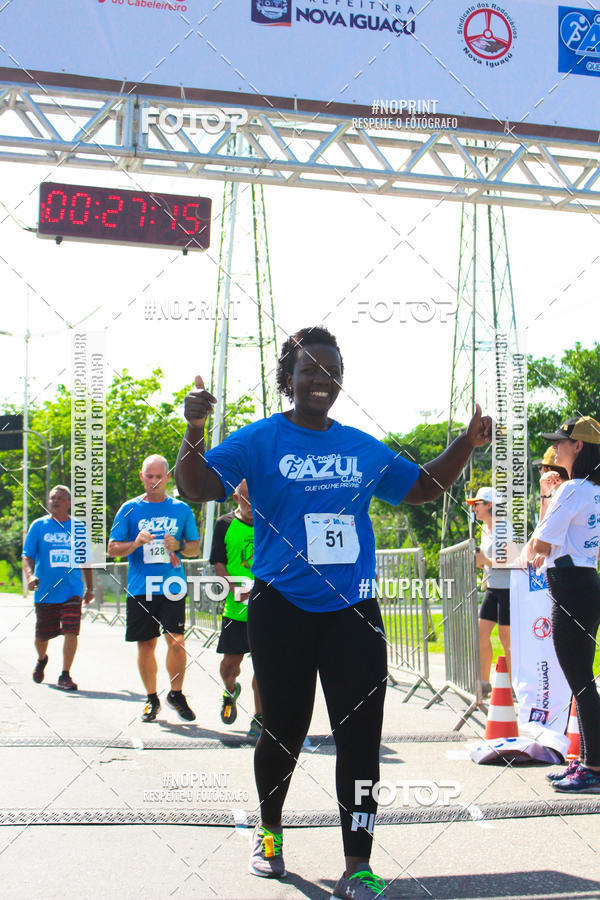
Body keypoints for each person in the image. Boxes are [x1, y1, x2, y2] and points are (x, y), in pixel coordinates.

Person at [175, 326, 491, 898]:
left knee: (361, 738)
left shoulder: (360, 447)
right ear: (288, 379)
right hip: (281, 607)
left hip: (354, 610)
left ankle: (357, 864)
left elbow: (421, 487)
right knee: (284, 729)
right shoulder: (259, 440)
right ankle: (269, 833)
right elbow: (196, 486)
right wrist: (194, 430)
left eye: (332, 372)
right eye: (310, 371)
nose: (321, 381)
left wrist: (467, 444)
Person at [524, 416, 600, 794]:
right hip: (586, 582)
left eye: (560, 441)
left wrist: (547, 498)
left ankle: (593, 767)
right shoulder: (592, 490)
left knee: (581, 682)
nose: (555, 447)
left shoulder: (571, 490)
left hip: (569, 587)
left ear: (578, 446)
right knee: (581, 680)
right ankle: (586, 762)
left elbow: (536, 548)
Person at [107, 454, 200, 723]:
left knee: (177, 641)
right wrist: (135, 543)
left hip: (172, 585)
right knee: (146, 643)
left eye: (159, 476)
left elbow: (194, 548)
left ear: (168, 477)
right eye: (150, 476)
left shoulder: (181, 509)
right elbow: (113, 549)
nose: (155, 481)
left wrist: (179, 546)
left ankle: (176, 693)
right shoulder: (129, 509)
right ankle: (151, 698)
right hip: (141, 587)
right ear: (142, 477)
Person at [22, 485, 94, 691]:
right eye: (53, 498)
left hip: (72, 589)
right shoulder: (39, 526)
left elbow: (85, 560)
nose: (55, 501)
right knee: (42, 636)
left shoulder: (78, 528)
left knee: (71, 630)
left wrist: (89, 589)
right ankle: (42, 658)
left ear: (69, 503)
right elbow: (27, 555)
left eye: (61, 498)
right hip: (45, 591)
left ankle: (65, 674)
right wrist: (30, 575)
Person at [210, 479, 262, 736]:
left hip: (266, 610)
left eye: (255, 496)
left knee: (264, 667)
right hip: (236, 609)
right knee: (230, 665)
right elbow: (218, 564)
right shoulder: (224, 524)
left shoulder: (270, 522)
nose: (250, 503)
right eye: (245, 497)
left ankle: (259, 717)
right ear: (236, 497)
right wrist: (235, 590)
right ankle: (230, 691)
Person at [467, 486, 512, 696]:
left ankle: (512, 685)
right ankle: (484, 683)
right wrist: (483, 569)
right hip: (492, 589)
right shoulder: (486, 530)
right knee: (480, 634)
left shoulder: (505, 528)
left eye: (477, 504)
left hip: (508, 590)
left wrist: (485, 560)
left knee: (506, 639)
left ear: (490, 505)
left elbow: (512, 561)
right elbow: (489, 561)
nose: (474, 508)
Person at [533, 446, 568, 522]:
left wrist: (544, 494)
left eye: (540, 467)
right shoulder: (578, 489)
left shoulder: (558, 500)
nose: (540, 472)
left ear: (548, 470)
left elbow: (542, 527)